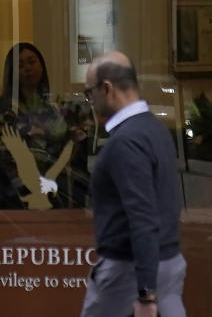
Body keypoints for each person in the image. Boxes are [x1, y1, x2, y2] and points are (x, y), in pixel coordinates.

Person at [81, 51, 186, 317]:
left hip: (127, 273)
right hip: (167, 264)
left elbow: (142, 217)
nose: (89, 101)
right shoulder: (156, 130)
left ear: (107, 89)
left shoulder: (126, 142)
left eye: (89, 93)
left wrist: (146, 294)